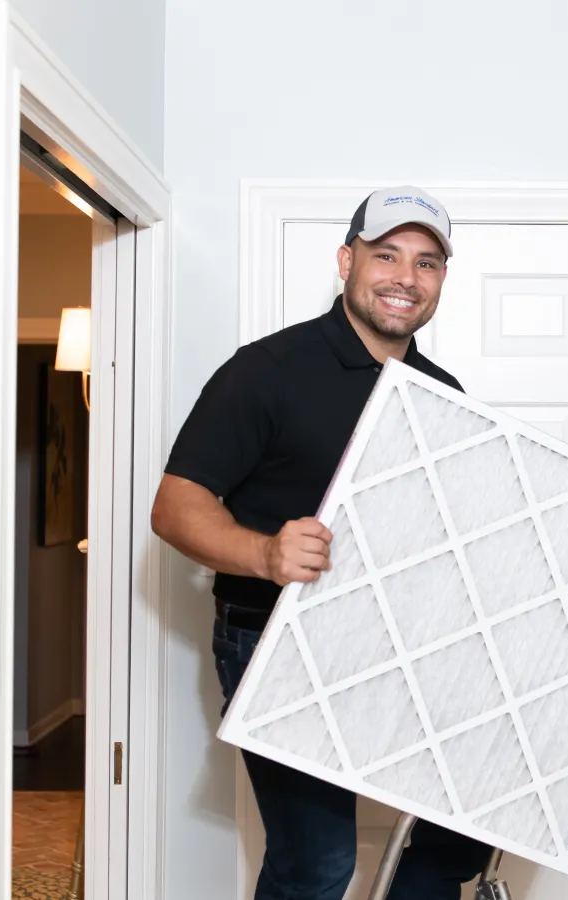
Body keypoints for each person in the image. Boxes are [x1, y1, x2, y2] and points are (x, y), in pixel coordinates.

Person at [151, 186, 493, 899]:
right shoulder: (266, 370)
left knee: (470, 821)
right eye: (387, 254)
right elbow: (175, 506)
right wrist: (264, 555)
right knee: (318, 863)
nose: (406, 276)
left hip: (402, 641)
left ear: (441, 281)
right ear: (347, 261)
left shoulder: (442, 391)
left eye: (427, 262)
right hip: (277, 641)